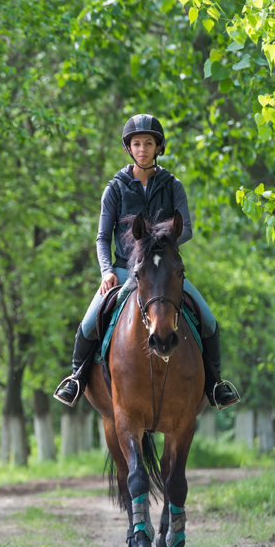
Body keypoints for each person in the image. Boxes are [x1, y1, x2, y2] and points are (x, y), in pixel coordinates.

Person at [53, 114, 240, 410]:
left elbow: (186, 229)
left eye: (149, 143)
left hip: (164, 272)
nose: (143, 149)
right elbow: (102, 237)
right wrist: (106, 271)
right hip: (124, 269)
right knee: (88, 324)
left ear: (158, 147)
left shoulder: (172, 185)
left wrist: (160, 242)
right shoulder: (114, 188)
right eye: (137, 144)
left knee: (209, 321)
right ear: (128, 148)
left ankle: (216, 384)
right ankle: (76, 378)